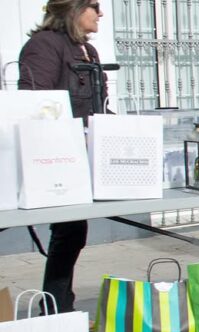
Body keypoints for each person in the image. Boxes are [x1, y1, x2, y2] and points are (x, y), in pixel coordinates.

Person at [18, 0, 106, 313]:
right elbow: (34, 104)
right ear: (74, 9)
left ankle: (56, 306)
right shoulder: (44, 45)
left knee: (72, 231)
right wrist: (68, 138)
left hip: (83, 158)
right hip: (54, 159)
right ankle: (56, 307)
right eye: (94, 6)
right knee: (69, 231)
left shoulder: (88, 51)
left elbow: (98, 105)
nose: (100, 14)